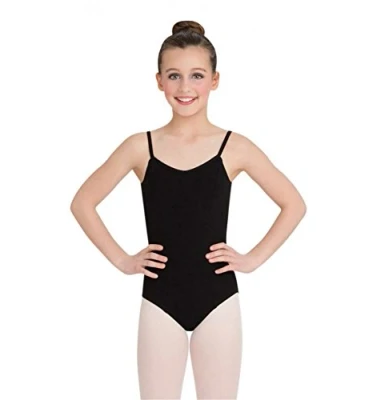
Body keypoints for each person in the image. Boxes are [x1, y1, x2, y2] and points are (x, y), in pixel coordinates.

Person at [70, 20, 306, 400]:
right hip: (159, 301)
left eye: (196, 75)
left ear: (214, 80)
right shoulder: (140, 146)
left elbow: (293, 204)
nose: (185, 87)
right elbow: (83, 202)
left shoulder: (234, 147)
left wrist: (252, 259)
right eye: (174, 76)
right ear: (159, 81)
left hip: (218, 301)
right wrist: (123, 260)